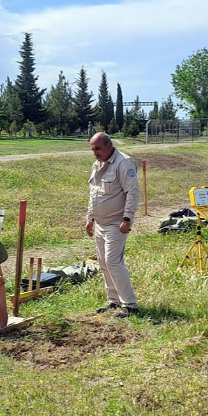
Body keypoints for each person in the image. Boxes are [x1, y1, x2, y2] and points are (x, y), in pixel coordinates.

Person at [86, 132, 141, 318]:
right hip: (100, 224)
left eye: (98, 148)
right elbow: (93, 192)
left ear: (109, 145)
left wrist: (127, 219)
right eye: (93, 149)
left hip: (116, 224)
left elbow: (133, 192)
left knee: (113, 262)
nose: (95, 153)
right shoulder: (97, 164)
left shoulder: (123, 163)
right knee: (103, 263)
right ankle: (114, 300)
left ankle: (130, 305)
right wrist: (90, 218)